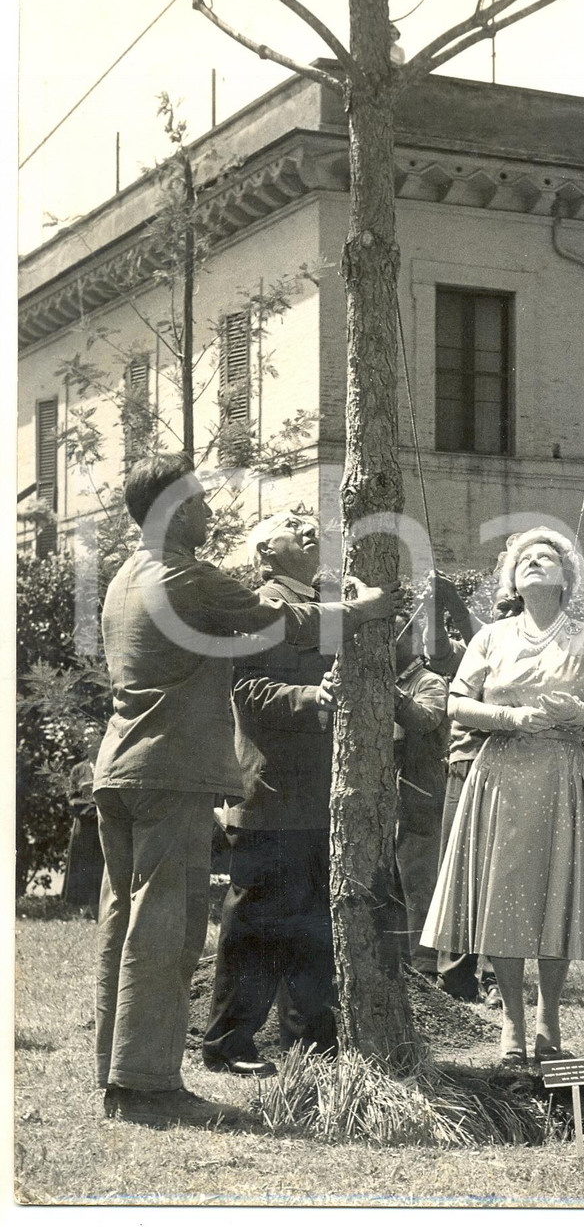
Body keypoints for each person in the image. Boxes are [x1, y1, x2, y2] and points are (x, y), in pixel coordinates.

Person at [93, 455, 399, 1127]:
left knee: (123, 920)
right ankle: (147, 1089)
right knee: (165, 930)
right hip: (167, 771)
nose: (209, 513)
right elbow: (283, 620)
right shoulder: (187, 574)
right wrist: (367, 606)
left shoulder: (124, 577)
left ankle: (115, 1076)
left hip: (119, 768)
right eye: (199, 501)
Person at [421, 528, 584, 1064]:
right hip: (502, 775)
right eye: (524, 559)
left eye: (547, 557)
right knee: (503, 899)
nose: (534, 563)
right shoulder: (492, 636)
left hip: (561, 773)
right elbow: (456, 704)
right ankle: (511, 1021)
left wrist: (579, 714)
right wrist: (510, 716)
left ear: (568, 577)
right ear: (512, 578)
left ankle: (548, 1018)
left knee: (556, 895)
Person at [202, 511, 342, 1077]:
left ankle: (310, 1043)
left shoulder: (328, 607)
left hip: (322, 796)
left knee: (312, 924)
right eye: (292, 523)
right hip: (270, 794)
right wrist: (311, 696)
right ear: (266, 550)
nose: (309, 527)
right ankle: (227, 1044)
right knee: (254, 926)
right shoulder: (258, 607)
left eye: (312, 522)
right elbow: (249, 689)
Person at [421, 574, 499, 1007]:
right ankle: (454, 976)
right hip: (465, 764)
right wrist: (436, 605)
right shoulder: (479, 649)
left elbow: (483, 638)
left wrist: (452, 601)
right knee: (458, 869)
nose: (505, 615)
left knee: (499, 870)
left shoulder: (522, 648)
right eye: (501, 606)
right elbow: (437, 652)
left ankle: (493, 976)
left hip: (511, 768)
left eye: (513, 607)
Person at [392, 613, 449, 977]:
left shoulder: (429, 681)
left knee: (419, 880)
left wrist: (387, 690)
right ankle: (398, 962)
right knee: (391, 881)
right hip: (389, 796)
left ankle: (424, 965)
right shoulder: (390, 681)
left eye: (389, 636)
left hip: (419, 793)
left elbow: (426, 719)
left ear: (411, 642)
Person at [61, 726, 104, 918]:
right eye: (87, 741)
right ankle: (86, 910)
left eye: (95, 739)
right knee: (85, 866)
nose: (91, 744)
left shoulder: (108, 765)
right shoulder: (78, 770)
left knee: (103, 866)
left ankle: (102, 910)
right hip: (85, 827)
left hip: (106, 825)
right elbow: (72, 799)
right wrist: (92, 810)